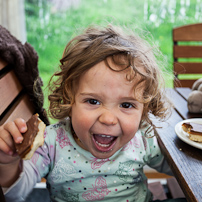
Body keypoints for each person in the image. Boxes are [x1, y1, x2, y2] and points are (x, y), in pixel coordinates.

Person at [0, 24, 186, 202]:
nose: (108, 119)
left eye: (127, 105)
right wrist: (8, 164)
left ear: (144, 109)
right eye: (93, 101)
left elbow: (182, 170)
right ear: (69, 98)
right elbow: (15, 194)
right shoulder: (51, 143)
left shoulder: (142, 137)